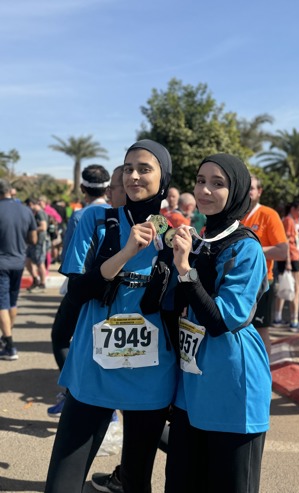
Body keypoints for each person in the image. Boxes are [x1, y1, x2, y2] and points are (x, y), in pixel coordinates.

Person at [44, 140, 177, 493]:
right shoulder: (95, 220)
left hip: (152, 374)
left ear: (163, 178)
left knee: (135, 483)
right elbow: (76, 291)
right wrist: (126, 252)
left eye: (144, 169)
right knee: (62, 484)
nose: (134, 176)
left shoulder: (172, 234)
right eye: (128, 168)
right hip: (93, 369)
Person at [164, 153, 271, 493]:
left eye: (217, 183)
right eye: (200, 181)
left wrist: (185, 271)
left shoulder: (245, 247)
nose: (205, 190)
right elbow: (169, 305)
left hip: (232, 384)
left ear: (237, 190)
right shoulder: (195, 240)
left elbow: (222, 319)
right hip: (190, 387)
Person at [47, 164, 112, 416]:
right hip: (109, 290)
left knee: (60, 337)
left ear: (83, 188)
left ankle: (71, 393)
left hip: (82, 288)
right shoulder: (116, 211)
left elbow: (70, 260)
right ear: (107, 188)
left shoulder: (80, 215)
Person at [240, 175, 288, 355]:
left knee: (260, 331)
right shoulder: (235, 214)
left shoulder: (269, 215)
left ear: (259, 192)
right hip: (236, 281)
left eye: (251, 188)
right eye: (245, 188)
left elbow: (283, 251)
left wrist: (251, 250)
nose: (247, 192)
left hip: (261, 283)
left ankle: (263, 378)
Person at [0, 179, 37, 360]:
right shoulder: (25, 210)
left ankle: (9, 345)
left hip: (1, 263)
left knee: (2, 304)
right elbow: (34, 239)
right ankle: (6, 338)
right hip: (18, 261)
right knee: (12, 302)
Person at [273, 199, 299, 332]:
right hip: (291, 258)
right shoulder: (289, 221)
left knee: (284, 288)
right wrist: (287, 261)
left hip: (289, 258)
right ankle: (294, 321)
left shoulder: (292, 221)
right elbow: (285, 241)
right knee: (295, 289)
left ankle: (278, 317)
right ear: (293, 209)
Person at [24, 197, 49, 292]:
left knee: (39, 262)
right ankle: (35, 279)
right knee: (28, 261)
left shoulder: (40, 213)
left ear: (31, 204)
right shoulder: (36, 213)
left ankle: (42, 283)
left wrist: (32, 230)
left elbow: (43, 227)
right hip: (33, 242)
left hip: (39, 241)